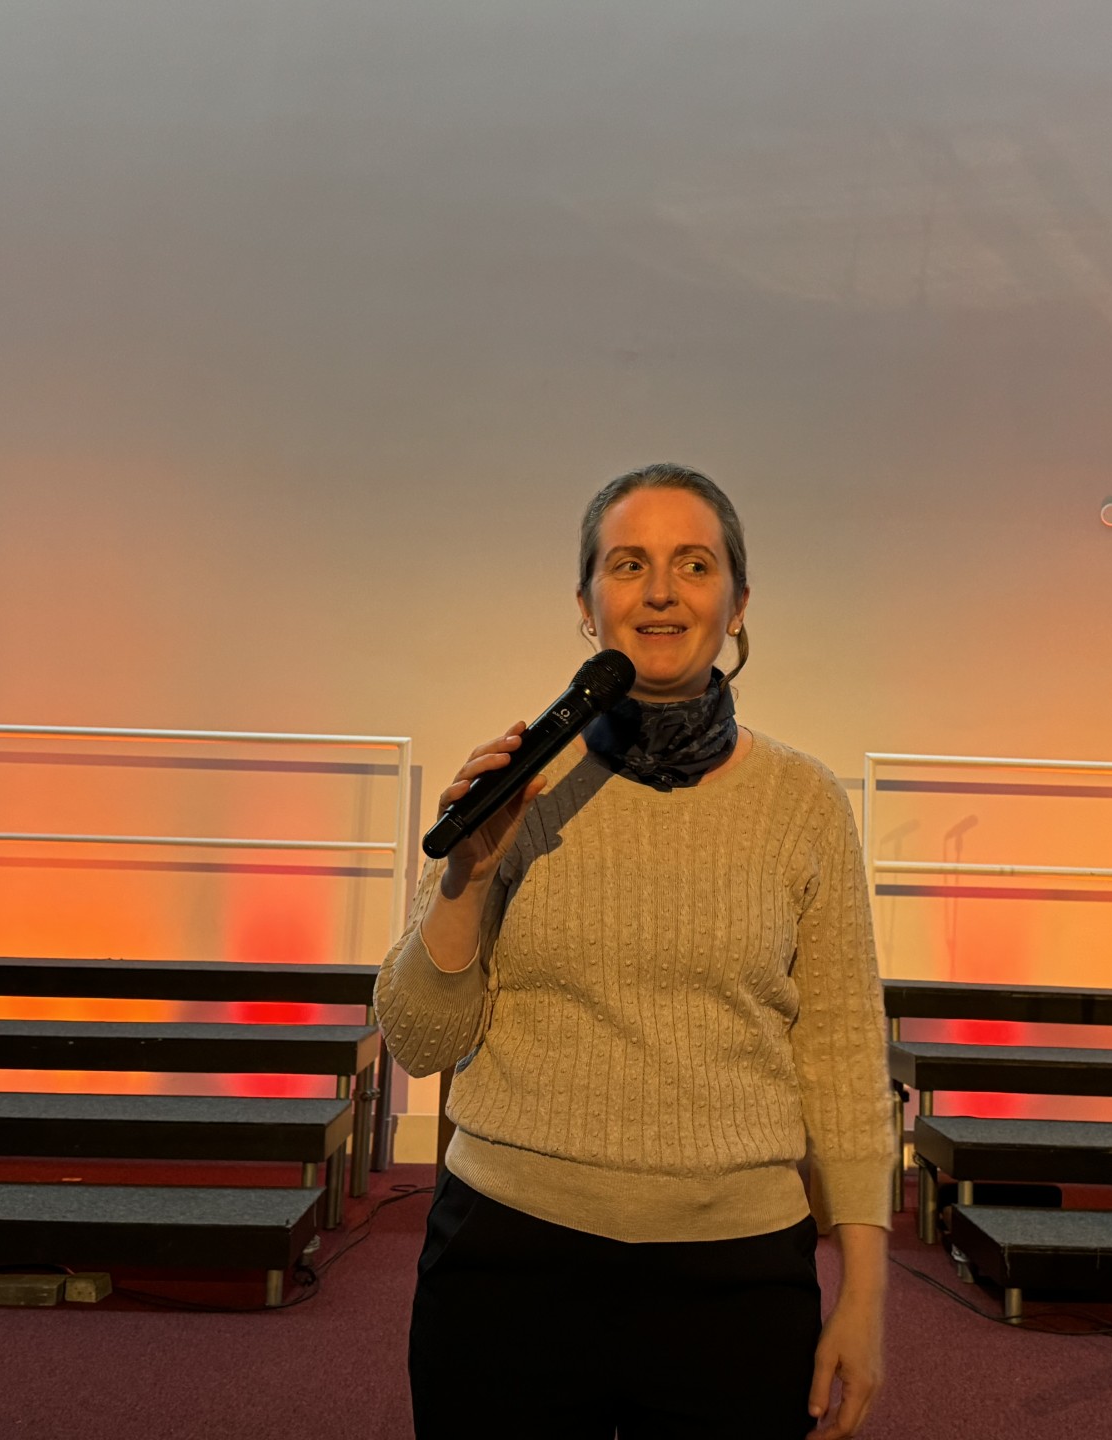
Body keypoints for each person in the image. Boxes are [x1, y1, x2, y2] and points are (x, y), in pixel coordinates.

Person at [375, 463, 895, 1439]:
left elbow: (843, 1057)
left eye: (694, 565)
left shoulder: (805, 802)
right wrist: (467, 877)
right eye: (628, 565)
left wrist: (865, 1295)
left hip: (736, 1280)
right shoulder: (519, 782)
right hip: (507, 1266)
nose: (661, 591)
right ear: (587, 605)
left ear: (739, 604)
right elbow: (418, 1039)